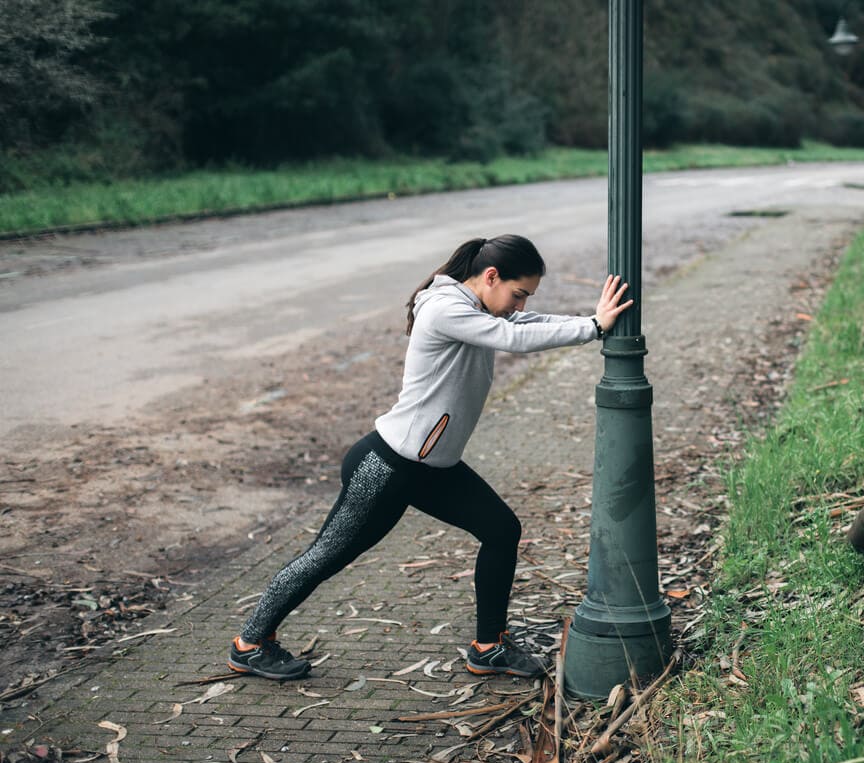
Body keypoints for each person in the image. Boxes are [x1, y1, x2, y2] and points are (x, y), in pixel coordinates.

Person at [227, 234, 632, 680]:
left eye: (526, 297)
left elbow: (521, 323)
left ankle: (488, 646)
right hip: (387, 467)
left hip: (431, 469)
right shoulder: (445, 309)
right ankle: (250, 643)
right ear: (491, 277)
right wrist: (593, 327)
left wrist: (592, 320)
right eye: (517, 294)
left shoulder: (476, 308)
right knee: (326, 556)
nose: (519, 305)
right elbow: (511, 337)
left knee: (501, 529)